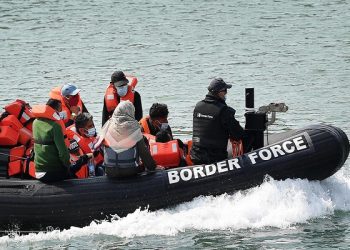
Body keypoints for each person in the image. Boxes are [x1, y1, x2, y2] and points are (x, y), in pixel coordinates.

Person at [32, 99, 91, 182]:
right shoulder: (55, 126)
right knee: (74, 170)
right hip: (52, 171)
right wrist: (69, 166)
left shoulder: (35, 122)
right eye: (60, 110)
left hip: (38, 171)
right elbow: (63, 153)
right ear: (55, 110)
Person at [190, 78, 246, 165]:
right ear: (219, 92)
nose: (226, 93)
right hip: (215, 159)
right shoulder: (224, 111)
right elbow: (238, 134)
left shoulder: (198, 106)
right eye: (225, 90)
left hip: (196, 156)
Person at [97, 100, 156, 178]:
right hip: (130, 171)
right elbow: (144, 153)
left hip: (109, 171)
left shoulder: (107, 125)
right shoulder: (134, 129)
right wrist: (153, 168)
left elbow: (101, 148)